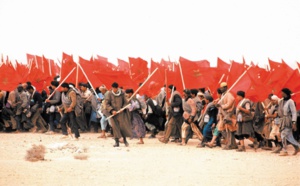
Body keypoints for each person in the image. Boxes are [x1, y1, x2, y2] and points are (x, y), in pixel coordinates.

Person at [105, 82, 132, 147]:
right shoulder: (109, 94)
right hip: (113, 114)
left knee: (122, 127)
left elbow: (126, 102)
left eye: (115, 88)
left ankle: (125, 141)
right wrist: (112, 110)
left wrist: (122, 109)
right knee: (115, 128)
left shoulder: (122, 93)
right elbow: (107, 104)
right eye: (113, 88)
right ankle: (116, 142)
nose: (114, 90)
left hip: (121, 113)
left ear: (117, 88)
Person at [277, 88, 300, 156]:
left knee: (283, 135)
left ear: (285, 93)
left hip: (288, 120)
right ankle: (297, 147)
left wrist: (294, 122)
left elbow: (294, 112)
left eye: (282, 92)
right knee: (289, 136)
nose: (281, 94)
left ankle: (284, 150)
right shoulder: (281, 101)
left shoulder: (290, 101)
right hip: (282, 120)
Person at [215, 82, 238, 150]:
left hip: (228, 114)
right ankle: (232, 144)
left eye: (222, 88)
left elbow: (229, 104)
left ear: (225, 87)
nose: (221, 89)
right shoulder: (223, 95)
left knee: (230, 130)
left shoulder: (229, 95)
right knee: (225, 130)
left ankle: (231, 144)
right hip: (224, 114)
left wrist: (221, 106)